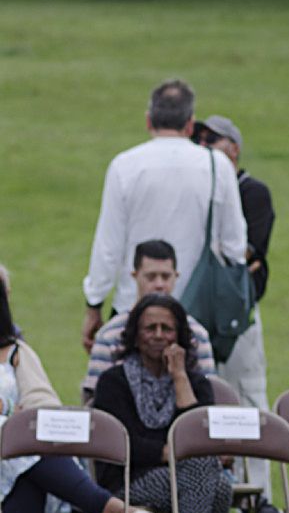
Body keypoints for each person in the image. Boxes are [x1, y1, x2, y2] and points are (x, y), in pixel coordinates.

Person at [0, 279, 154, 513]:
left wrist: (13, 413)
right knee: (24, 458)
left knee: (25, 465)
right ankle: (112, 510)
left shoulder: (15, 353)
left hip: (13, 462)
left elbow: (44, 408)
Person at [93, 293, 233, 513]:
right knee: (211, 478)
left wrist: (180, 378)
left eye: (167, 328)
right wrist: (165, 452)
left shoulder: (197, 382)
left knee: (219, 485)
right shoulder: (113, 381)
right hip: (130, 481)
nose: (158, 335)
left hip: (185, 480)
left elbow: (198, 436)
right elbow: (120, 441)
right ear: (135, 334)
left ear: (180, 335)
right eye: (150, 328)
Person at [81, 79, 247, 352]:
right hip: (198, 311)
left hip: (133, 309)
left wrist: (94, 305)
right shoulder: (217, 166)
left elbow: (108, 247)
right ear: (190, 125)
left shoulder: (125, 166)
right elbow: (234, 246)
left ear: (149, 121)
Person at [193, 113, 284, 513]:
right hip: (194, 309)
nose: (205, 148)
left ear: (234, 148)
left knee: (248, 398)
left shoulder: (252, 193)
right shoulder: (194, 187)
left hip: (237, 312)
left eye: (213, 141)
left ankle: (257, 496)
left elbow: (249, 255)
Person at [83, 239, 215, 397]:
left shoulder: (197, 335)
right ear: (135, 276)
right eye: (151, 277)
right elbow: (93, 398)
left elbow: (209, 394)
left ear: (176, 277)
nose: (159, 284)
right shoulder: (109, 335)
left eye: (165, 277)